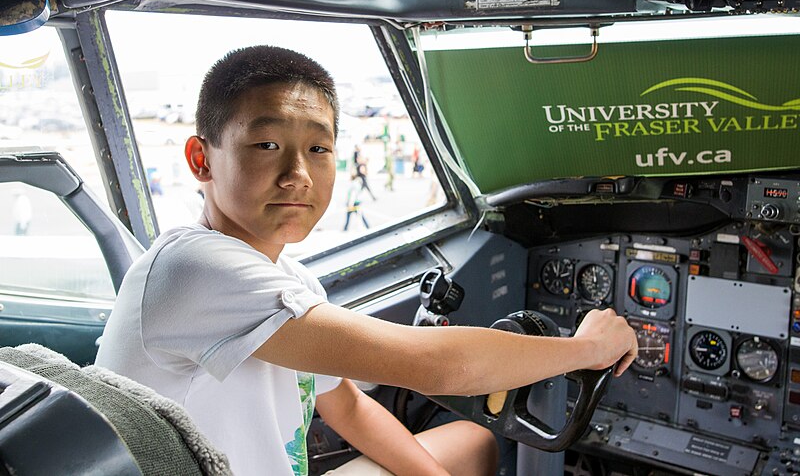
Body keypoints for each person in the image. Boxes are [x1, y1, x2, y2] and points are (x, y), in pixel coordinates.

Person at [96, 46, 637, 476]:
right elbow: (442, 367)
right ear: (201, 160)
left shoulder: (290, 279)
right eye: (265, 145)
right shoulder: (192, 267)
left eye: (318, 149)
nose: (298, 175)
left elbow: (348, 407)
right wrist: (587, 348)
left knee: (469, 443)